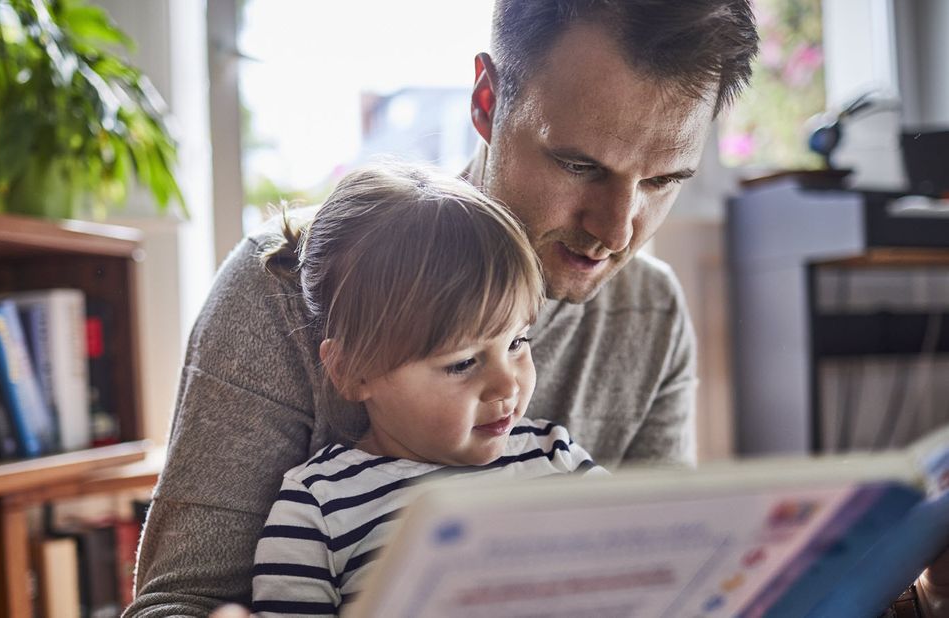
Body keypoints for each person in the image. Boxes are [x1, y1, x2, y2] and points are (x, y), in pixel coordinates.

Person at [125, 1, 760, 615]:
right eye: (578, 164)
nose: (618, 230)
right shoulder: (285, 285)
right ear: (487, 101)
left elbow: (672, 575)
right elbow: (176, 604)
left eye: (663, 181)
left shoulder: (649, 310)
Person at [250, 163, 607, 616]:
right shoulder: (318, 508)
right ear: (352, 372)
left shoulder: (555, 457)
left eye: (517, 342)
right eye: (462, 363)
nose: (506, 384)